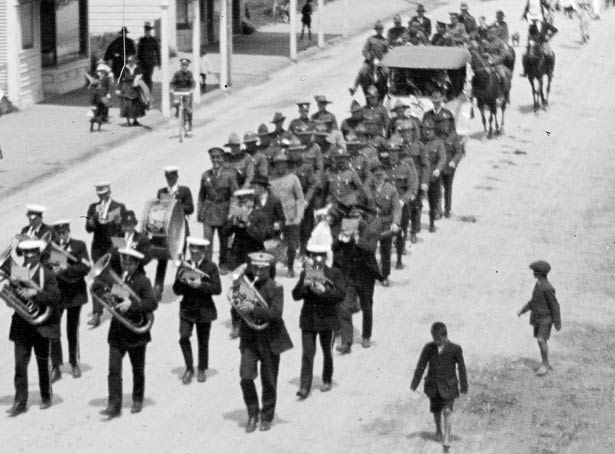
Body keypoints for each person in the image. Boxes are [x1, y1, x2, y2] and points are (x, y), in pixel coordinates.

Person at [97, 248, 158, 418]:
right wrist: (108, 297)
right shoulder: (119, 279)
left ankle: (137, 399)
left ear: (137, 264)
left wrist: (131, 305)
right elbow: (112, 295)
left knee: (137, 369)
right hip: (117, 332)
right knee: (113, 370)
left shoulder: (143, 281)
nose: (125, 265)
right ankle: (113, 405)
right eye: (124, 261)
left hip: (135, 334)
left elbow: (152, 304)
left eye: (129, 262)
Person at [236, 252, 293, 432]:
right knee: (246, 377)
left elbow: (276, 314)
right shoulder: (247, 286)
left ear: (269, 269)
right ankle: (253, 413)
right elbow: (239, 307)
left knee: (269, 380)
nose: (258, 272)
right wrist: (239, 305)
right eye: (256, 268)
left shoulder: (275, 287)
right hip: (250, 339)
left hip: (270, 340)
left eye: (263, 268)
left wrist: (254, 308)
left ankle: (266, 416)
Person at [5, 239, 61, 416]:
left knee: (43, 363)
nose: (29, 258)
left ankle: (45, 396)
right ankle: (20, 401)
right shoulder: (19, 272)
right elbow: (13, 298)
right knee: (20, 366)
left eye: (32, 254)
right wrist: (11, 296)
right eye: (26, 254)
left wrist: (35, 292)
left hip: (41, 326)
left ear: (38, 255)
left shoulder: (47, 274)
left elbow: (54, 297)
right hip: (22, 326)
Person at [292, 242, 345, 399]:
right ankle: (304, 386)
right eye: (314, 255)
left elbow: (341, 295)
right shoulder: (306, 273)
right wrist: (304, 285)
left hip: (327, 320)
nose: (317, 259)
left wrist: (324, 292)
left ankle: (327, 379)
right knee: (307, 353)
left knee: (327, 352)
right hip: (308, 320)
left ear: (325, 257)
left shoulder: (334, 273)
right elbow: (295, 296)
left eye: (320, 255)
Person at [410, 322, 468, 453]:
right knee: (436, 410)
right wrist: (415, 382)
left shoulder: (455, 349)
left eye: (439, 339)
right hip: (433, 385)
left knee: (447, 411)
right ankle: (438, 430)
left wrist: (464, 385)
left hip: (449, 385)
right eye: (434, 338)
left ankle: (446, 438)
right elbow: (421, 365)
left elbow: (462, 368)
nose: (436, 341)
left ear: (445, 336)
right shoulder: (428, 348)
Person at [333, 203, 383, 353]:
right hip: (351, 275)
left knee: (367, 306)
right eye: (352, 217)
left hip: (366, 274)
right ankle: (347, 342)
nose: (354, 220)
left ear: (363, 218)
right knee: (344, 307)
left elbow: (370, 248)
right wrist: (342, 237)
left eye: (357, 217)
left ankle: (366, 335)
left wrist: (356, 239)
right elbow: (334, 247)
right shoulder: (346, 229)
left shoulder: (370, 230)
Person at [172, 236, 221, 384]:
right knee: (184, 337)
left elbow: (217, 289)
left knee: (203, 341)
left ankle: (201, 368)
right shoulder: (184, 266)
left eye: (197, 253)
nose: (194, 255)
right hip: (187, 308)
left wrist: (200, 285)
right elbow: (176, 290)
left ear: (203, 252)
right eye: (192, 252)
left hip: (205, 308)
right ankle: (189, 368)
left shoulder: (211, 267)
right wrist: (182, 281)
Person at [48, 220, 91, 382]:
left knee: (72, 330)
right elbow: (47, 268)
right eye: (58, 233)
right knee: (54, 330)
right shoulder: (51, 248)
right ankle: (56, 365)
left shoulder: (79, 246)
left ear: (68, 232)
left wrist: (67, 268)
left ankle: (74, 363)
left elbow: (86, 267)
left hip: (74, 294)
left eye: (63, 233)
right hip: (58, 294)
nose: (61, 236)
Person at [85, 182, 127, 327]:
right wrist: (94, 218)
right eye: (99, 195)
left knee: (115, 279)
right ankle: (97, 313)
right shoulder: (92, 208)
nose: (102, 197)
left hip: (113, 247)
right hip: (98, 249)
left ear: (109, 192)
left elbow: (121, 231)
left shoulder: (118, 207)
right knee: (98, 279)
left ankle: (122, 305)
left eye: (104, 194)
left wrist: (117, 250)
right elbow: (88, 229)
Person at [197, 147, 239, 275]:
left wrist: (232, 211)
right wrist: (200, 212)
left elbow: (234, 194)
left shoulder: (230, 175)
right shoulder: (206, 175)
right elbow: (201, 195)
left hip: (224, 211)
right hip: (209, 212)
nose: (215, 160)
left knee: (224, 240)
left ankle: (223, 263)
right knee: (207, 240)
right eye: (213, 158)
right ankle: (207, 265)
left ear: (222, 159)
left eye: (218, 158)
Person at [517, 260, 561, 376]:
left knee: (541, 340)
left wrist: (557, 322)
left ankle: (545, 365)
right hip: (538, 318)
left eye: (534, 271)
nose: (533, 273)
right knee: (542, 341)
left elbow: (555, 305)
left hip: (546, 319)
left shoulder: (547, 287)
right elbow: (533, 301)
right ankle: (545, 361)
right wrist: (523, 309)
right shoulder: (538, 284)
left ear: (539, 274)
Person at [269, 149, 305, 278]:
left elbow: (300, 199)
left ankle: (290, 267)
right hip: (276, 218)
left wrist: (299, 216)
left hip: (291, 216)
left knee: (292, 245)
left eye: (283, 163)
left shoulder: (293, 178)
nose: (280, 166)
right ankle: (271, 269)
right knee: (272, 244)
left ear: (286, 164)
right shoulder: (270, 180)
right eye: (277, 163)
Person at [365, 162, 401, 287]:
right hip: (371, 224)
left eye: (381, 176)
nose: (378, 178)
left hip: (386, 224)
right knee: (368, 251)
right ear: (372, 176)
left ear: (385, 175)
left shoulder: (391, 189)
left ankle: (384, 275)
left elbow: (396, 208)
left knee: (385, 251)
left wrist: (395, 223)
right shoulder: (367, 189)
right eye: (376, 176)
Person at [384, 141, 419, 269]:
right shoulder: (383, 169)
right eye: (390, 152)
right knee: (386, 235)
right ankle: (386, 262)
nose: (392, 155)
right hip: (386, 207)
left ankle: (398, 259)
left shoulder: (406, 168)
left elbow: (411, 187)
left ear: (398, 153)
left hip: (401, 206)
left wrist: (403, 200)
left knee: (400, 233)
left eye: (395, 152)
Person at [397, 120, 429, 244]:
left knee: (415, 207)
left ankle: (414, 231)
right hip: (402, 181)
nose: (406, 135)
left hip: (417, 181)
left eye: (408, 132)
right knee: (404, 209)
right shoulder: (398, 147)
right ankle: (403, 233)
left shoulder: (419, 146)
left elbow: (425, 165)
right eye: (403, 133)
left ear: (412, 132)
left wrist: (424, 182)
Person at [421, 119, 447, 233]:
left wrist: (438, 169)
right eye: (425, 129)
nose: (426, 132)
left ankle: (431, 223)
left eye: (429, 130)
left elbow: (442, 158)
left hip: (433, 176)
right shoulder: (419, 143)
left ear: (434, 131)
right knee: (416, 203)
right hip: (421, 176)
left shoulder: (438, 143)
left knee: (433, 202)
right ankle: (415, 225)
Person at [438, 112, 464, 219]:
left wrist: (454, 161)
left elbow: (459, 152)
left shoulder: (454, 136)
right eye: (442, 123)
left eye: (446, 123)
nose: (444, 125)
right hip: (438, 167)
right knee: (437, 189)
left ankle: (448, 209)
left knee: (448, 189)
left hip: (449, 168)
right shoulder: (436, 136)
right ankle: (438, 210)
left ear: (450, 123)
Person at [251, 175, 285, 242]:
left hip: (269, 237)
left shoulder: (275, 201)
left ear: (262, 188)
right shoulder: (254, 200)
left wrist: (278, 225)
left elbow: (282, 219)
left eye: (255, 188)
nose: (253, 190)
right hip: (255, 236)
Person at [117, 55, 146, 127]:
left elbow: (141, 77)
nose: (131, 63)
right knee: (127, 105)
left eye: (132, 61)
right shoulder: (124, 68)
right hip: (126, 88)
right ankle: (128, 121)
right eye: (129, 62)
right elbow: (120, 79)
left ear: (134, 62)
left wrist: (138, 79)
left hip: (135, 88)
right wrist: (118, 89)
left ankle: (135, 120)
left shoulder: (137, 68)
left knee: (135, 105)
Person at [170, 58, 196, 131]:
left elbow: (193, 82)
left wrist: (192, 89)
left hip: (187, 92)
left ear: (188, 66)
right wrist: (172, 88)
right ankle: (178, 110)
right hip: (178, 91)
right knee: (175, 103)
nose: (184, 67)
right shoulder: (177, 73)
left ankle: (190, 123)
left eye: (186, 65)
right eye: (183, 65)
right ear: (181, 66)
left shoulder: (190, 74)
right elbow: (172, 82)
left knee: (188, 108)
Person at [137, 22, 160, 92]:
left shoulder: (153, 40)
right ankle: (144, 92)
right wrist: (138, 61)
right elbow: (139, 52)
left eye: (148, 31)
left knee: (149, 77)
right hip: (142, 63)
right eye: (146, 31)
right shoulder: (142, 40)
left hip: (150, 62)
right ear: (145, 32)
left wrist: (159, 63)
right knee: (143, 77)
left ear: (150, 32)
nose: (147, 33)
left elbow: (158, 52)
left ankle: (149, 92)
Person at [89, 61, 112, 130]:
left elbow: (107, 87)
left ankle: (102, 118)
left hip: (103, 94)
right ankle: (98, 120)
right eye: (100, 71)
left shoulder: (106, 78)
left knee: (104, 107)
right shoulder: (96, 77)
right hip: (99, 96)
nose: (101, 72)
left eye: (102, 71)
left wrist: (108, 93)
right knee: (99, 109)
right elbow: (92, 87)